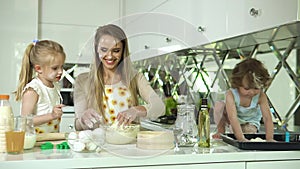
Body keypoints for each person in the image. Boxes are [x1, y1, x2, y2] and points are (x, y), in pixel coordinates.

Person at [74, 24, 165, 130]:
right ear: (96, 49)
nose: (109, 56)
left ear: (123, 51)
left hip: (129, 145)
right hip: (98, 144)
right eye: (104, 50)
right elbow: (77, 126)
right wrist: (83, 119)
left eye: (116, 50)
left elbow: (159, 106)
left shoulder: (135, 77)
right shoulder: (83, 80)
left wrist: (136, 110)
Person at [212, 58, 274, 142]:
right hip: (231, 119)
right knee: (219, 106)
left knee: (249, 132)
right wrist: (241, 139)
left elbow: (267, 118)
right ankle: (220, 130)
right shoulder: (231, 94)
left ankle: (242, 131)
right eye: (247, 88)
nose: (251, 92)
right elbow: (232, 117)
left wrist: (270, 138)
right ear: (237, 84)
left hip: (250, 121)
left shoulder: (261, 96)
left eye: (256, 88)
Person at [14, 40, 66, 133]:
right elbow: (24, 121)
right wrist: (52, 116)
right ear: (38, 68)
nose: (61, 71)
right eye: (55, 68)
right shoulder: (33, 89)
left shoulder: (55, 86)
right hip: (35, 142)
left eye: (62, 67)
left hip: (50, 141)